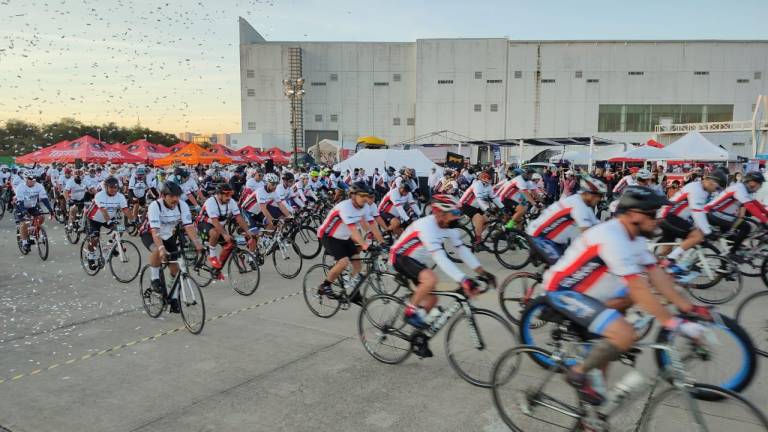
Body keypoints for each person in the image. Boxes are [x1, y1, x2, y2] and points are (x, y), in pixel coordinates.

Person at [541, 186, 710, 406]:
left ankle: (594, 397)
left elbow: (655, 273)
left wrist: (688, 309)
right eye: (652, 214)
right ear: (632, 214)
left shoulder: (635, 237)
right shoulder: (611, 237)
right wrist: (673, 322)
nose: (658, 219)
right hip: (564, 291)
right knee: (624, 333)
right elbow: (638, 287)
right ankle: (577, 372)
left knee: (628, 319)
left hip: (595, 289)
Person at [391, 194, 495, 357]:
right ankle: (410, 312)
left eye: (457, 214)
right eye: (453, 214)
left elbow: (462, 250)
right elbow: (440, 257)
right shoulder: (427, 226)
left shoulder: (448, 227)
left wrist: (482, 272)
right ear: (439, 213)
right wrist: (464, 279)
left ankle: (419, 338)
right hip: (401, 257)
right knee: (431, 279)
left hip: (417, 261)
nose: (456, 218)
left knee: (433, 300)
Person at [139, 181, 204, 311]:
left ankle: (173, 298)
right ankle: (154, 278)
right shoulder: (155, 206)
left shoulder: (182, 205)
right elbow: (155, 231)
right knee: (158, 250)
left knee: (175, 268)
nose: (175, 199)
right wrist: (162, 249)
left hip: (167, 235)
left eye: (177, 196)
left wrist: (197, 243)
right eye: (172, 196)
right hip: (150, 233)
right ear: (163, 196)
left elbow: (188, 226)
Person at [316, 182, 381, 303]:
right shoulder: (345, 207)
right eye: (361, 196)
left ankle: (354, 294)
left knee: (358, 265)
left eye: (366, 195)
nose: (364, 199)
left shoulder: (365, 207)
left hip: (345, 237)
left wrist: (381, 242)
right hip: (328, 236)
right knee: (344, 262)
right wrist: (365, 245)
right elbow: (354, 230)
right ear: (352, 195)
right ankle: (325, 285)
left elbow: (371, 224)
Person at [657, 170, 726, 276]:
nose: (715, 191)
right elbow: (697, 212)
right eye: (717, 188)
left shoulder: (703, 190)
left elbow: (700, 211)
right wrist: (708, 231)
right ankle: (670, 261)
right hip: (670, 216)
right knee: (697, 236)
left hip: (672, 216)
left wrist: (706, 228)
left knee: (666, 251)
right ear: (711, 182)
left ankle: (652, 267)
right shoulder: (696, 189)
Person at [526, 176, 605, 262]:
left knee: (572, 258)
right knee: (562, 267)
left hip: (553, 239)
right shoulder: (578, 205)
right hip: (539, 236)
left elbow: (596, 225)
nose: (600, 199)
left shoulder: (584, 204)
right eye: (599, 195)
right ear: (587, 193)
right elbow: (586, 232)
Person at [704, 171, 768, 257]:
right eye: (760, 184)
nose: (760, 187)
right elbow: (749, 206)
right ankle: (732, 254)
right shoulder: (739, 188)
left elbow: (755, 203)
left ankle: (724, 266)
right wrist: (765, 220)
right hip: (713, 213)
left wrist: (766, 213)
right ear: (752, 182)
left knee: (735, 239)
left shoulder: (746, 190)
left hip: (719, 214)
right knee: (746, 227)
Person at [196, 183, 253, 269]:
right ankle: (212, 256)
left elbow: (239, 217)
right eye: (226, 195)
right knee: (216, 233)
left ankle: (217, 268)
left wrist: (248, 231)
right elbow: (215, 222)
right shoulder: (211, 202)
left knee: (230, 245)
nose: (229, 197)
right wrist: (225, 234)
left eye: (230, 194)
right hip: (204, 223)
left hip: (218, 225)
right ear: (219, 194)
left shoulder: (231, 202)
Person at [84, 176, 132, 270]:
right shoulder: (99, 195)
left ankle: (111, 245)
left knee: (120, 228)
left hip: (108, 218)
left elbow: (125, 209)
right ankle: (91, 255)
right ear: (106, 187)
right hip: (94, 219)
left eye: (115, 187)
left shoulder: (120, 196)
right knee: (95, 239)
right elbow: (103, 210)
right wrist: (109, 222)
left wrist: (134, 220)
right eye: (111, 187)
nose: (113, 189)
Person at [14, 170, 54, 253]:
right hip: (21, 206)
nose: (33, 180)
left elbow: (44, 199)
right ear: (25, 179)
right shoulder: (20, 187)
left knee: (41, 217)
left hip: (33, 205)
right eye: (30, 178)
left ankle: (34, 230)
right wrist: (24, 212)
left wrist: (50, 209)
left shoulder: (39, 186)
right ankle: (25, 242)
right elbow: (20, 202)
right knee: (24, 223)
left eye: (34, 178)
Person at [459, 170, 497, 250]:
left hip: (476, 206)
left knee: (487, 220)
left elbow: (494, 197)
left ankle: (476, 237)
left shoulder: (488, 185)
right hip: (466, 204)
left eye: (492, 178)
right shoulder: (477, 185)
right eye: (489, 178)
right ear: (483, 178)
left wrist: (502, 207)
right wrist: (487, 209)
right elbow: (479, 199)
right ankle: (478, 242)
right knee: (479, 219)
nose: (491, 179)